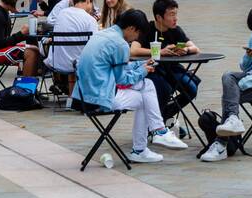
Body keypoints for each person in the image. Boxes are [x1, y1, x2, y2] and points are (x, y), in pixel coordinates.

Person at [72, 9, 180, 164]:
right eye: (138, 34)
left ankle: (154, 135)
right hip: (99, 98)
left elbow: (115, 69)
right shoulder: (120, 44)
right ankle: (153, 137)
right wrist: (142, 71)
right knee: (146, 91)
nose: (136, 39)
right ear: (131, 28)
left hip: (84, 95)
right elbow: (122, 79)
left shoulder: (103, 34)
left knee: (145, 91)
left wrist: (140, 64)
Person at [201, 5, 252, 160]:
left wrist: (243, 83)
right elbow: (244, 67)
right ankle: (233, 119)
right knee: (228, 76)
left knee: (231, 91)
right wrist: (250, 57)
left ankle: (221, 145)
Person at [131, 0, 201, 131]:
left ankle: (163, 116)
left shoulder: (176, 31)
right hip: (152, 69)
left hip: (173, 69)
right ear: (159, 17)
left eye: (176, 14)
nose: (175, 18)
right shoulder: (147, 29)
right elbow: (133, 51)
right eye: (171, 15)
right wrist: (159, 51)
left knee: (191, 89)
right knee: (164, 89)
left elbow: (196, 48)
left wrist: (185, 50)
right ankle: (157, 124)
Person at [45, 0, 99, 80]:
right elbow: (95, 45)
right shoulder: (90, 20)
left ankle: (68, 90)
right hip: (79, 64)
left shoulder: (62, 14)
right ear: (88, 1)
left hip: (57, 63)